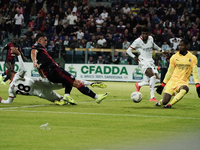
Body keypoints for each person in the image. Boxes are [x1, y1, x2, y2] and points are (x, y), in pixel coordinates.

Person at [31, 33, 108, 105]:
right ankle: (96, 97)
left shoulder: (40, 53)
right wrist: (34, 61)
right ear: (40, 40)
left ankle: (67, 95)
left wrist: (43, 76)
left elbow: (38, 67)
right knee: (75, 82)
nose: (46, 42)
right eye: (45, 40)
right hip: (54, 70)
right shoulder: (37, 46)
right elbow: (33, 51)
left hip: (50, 73)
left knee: (69, 81)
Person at [155, 39, 200, 108]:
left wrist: (197, 85)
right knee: (164, 101)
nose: (180, 47)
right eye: (179, 45)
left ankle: (170, 104)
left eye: (182, 45)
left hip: (183, 82)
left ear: (187, 46)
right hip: (172, 81)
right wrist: (163, 84)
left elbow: (195, 72)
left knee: (184, 89)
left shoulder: (193, 58)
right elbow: (169, 72)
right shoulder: (174, 57)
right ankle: (160, 102)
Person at [126, 27, 163, 102]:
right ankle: (152, 97)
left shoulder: (151, 38)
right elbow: (128, 51)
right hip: (142, 61)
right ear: (141, 34)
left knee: (157, 79)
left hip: (150, 61)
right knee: (152, 77)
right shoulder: (137, 41)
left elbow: (153, 45)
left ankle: (139, 85)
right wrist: (134, 57)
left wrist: (160, 50)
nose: (145, 35)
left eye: (146, 33)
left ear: (148, 34)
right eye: (143, 33)